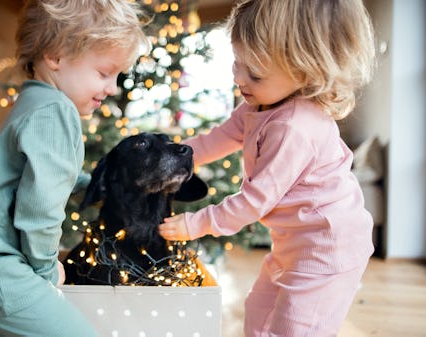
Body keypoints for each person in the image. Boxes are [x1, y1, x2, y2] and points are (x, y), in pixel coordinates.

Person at [159, 0, 376, 336]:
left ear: (306, 70)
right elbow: (220, 138)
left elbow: (253, 201)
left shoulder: (294, 128)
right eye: (237, 64)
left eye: (255, 73)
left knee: (294, 329)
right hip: (294, 241)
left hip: (326, 249)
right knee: (258, 309)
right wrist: (175, 160)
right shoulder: (259, 103)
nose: (240, 79)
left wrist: (195, 224)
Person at [0, 1, 147, 336]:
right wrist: (47, 271)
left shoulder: (34, 101)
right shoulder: (55, 112)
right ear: (56, 56)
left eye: (117, 76)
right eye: (104, 73)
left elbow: (40, 177)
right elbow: (40, 210)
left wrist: (91, 185)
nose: (112, 88)